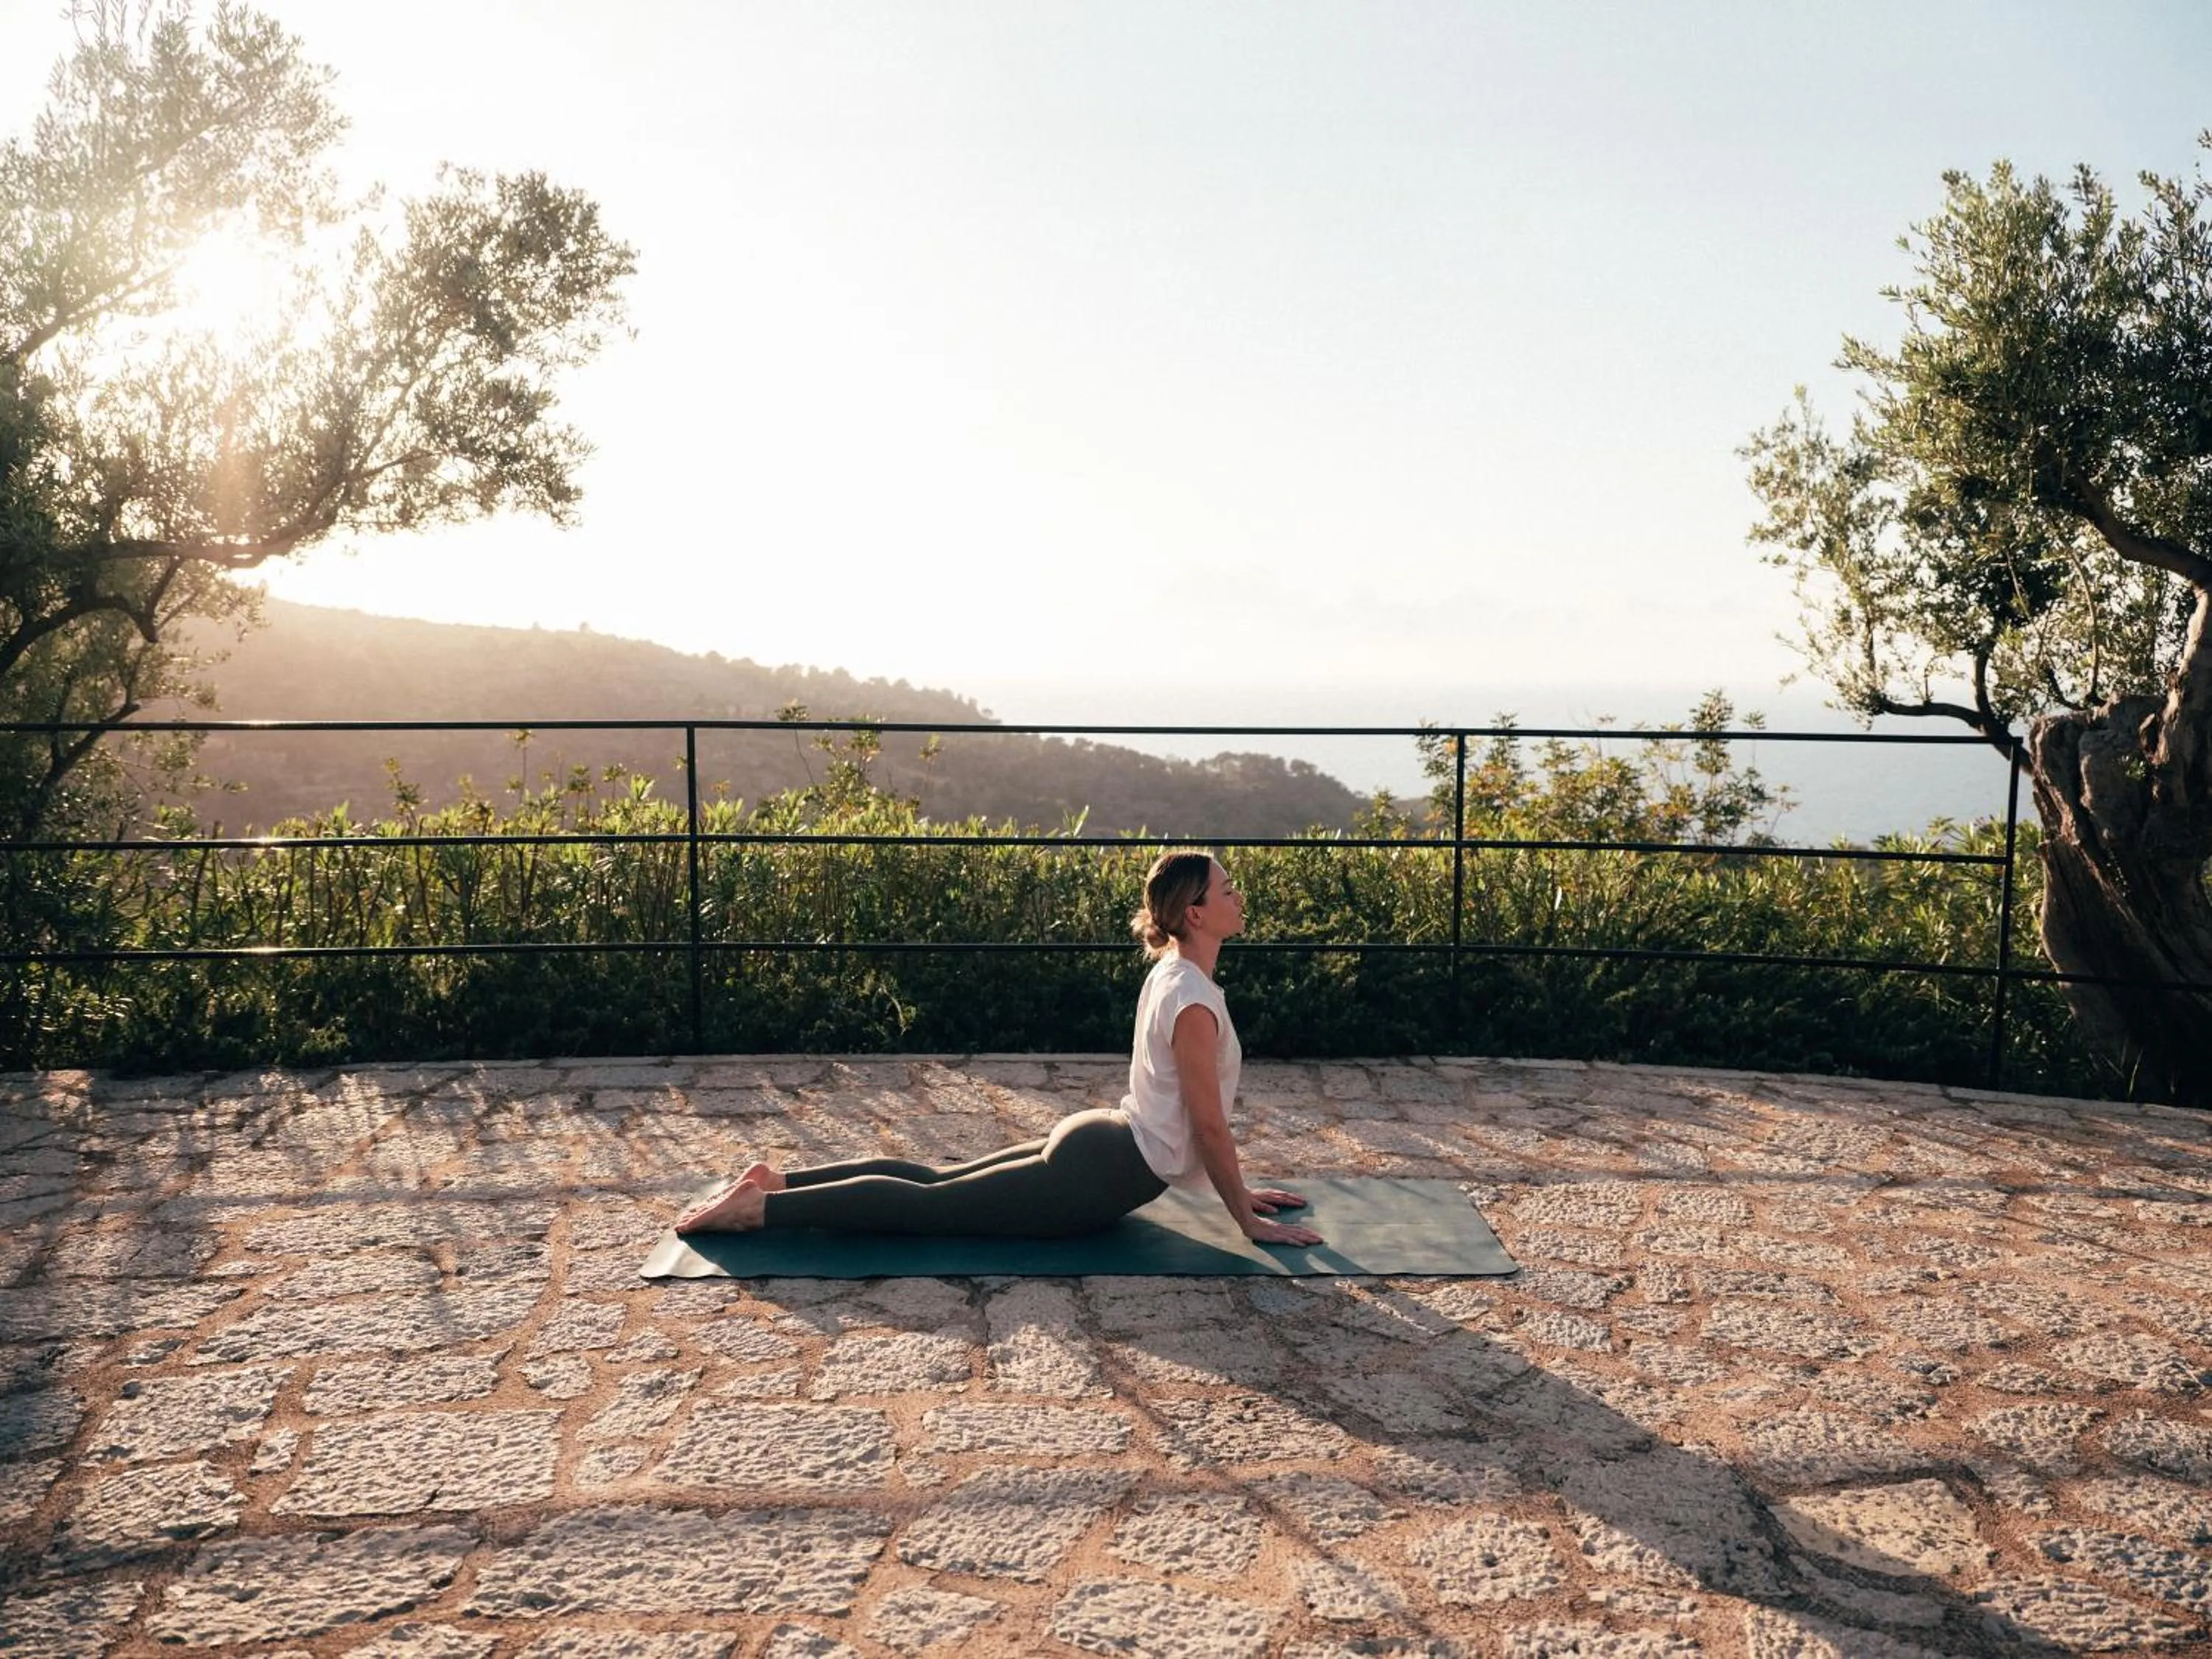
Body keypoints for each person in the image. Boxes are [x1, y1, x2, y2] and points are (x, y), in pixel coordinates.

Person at [673, 849, 1322, 1245]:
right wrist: (1246, 1218)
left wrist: (1235, 1190)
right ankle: (760, 1210)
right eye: (1228, 888)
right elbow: (1206, 1126)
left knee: (936, 1182)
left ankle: (776, 1183)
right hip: (1103, 1170)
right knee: (932, 1207)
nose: (1240, 895)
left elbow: (1188, 1118)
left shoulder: (1177, 975)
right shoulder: (1195, 1000)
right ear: (1196, 915)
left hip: (1103, 1139)